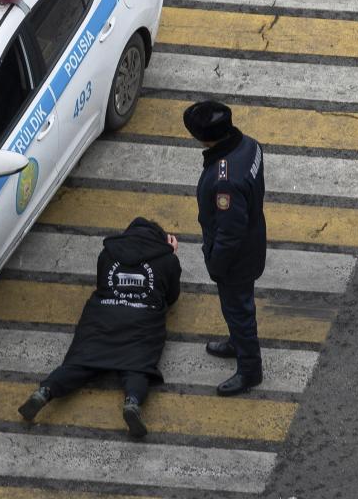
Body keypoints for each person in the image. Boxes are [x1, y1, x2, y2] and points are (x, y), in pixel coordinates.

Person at [18, 218, 181, 438]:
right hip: (141, 322)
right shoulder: (166, 259)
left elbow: (102, 283)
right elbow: (171, 297)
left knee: (80, 363)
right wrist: (168, 254)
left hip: (102, 318)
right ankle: (132, 402)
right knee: (137, 367)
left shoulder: (108, 253)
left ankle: (45, 392)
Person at [182, 100, 266, 396]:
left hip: (235, 258)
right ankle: (236, 341)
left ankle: (249, 370)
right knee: (238, 308)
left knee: (239, 309)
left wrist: (216, 265)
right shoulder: (250, 146)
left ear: (206, 138)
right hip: (253, 241)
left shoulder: (224, 179)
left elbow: (229, 232)